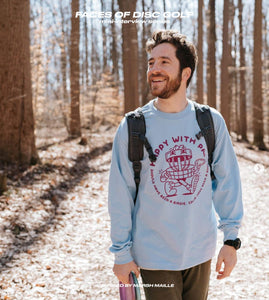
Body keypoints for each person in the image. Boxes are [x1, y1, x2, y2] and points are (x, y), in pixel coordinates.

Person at [108, 30, 243, 300]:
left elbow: (227, 181)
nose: (154, 69)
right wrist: (122, 254)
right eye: (151, 62)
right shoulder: (134, 126)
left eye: (164, 62)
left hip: (200, 252)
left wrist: (231, 240)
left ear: (185, 73)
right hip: (154, 256)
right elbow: (120, 195)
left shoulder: (210, 122)